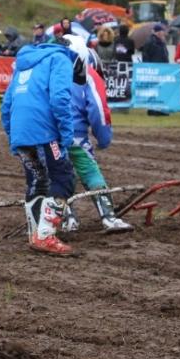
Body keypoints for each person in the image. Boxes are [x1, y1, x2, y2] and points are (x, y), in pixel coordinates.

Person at [1, 32, 79, 255]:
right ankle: (45, 235)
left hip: (21, 131)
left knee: (38, 180)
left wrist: (13, 135)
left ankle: (35, 233)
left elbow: (6, 104)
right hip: (44, 131)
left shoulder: (23, 63)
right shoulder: (60, 59)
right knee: (63, 178)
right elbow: (59, 98)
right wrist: (66, 135)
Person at [62, 35, 133, 233]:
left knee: (57, 175)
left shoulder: (50, 71)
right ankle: (108, 217)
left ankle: (68, 219)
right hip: (75, 134)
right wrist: (104, 138)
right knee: (90, 171)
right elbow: (98, 110)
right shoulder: (89, 74)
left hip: (49, 134)